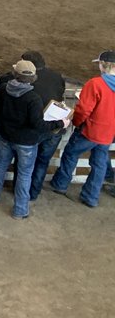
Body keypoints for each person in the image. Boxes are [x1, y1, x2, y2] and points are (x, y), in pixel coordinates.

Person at [0, 60, 66, 219]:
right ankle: (20, 209)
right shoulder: (32, 98)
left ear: (15, 74)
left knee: (0, 165)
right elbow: (38, 124)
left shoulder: (4, 89)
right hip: (26, 142)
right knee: (24, 174)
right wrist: (60, 122)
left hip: (6, 136)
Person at [49, 50, 115, 207]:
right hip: (108, 133)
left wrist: (77, 123)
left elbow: (83, 109)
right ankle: (91, 197)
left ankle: (60, 184)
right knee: (99, 164)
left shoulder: (95, 84)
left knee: (71, 154)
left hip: (90, 131)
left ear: (102, 65)